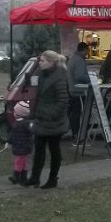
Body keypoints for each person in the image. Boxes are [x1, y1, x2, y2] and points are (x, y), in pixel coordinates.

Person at [22, 50, 70, 189]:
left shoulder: (59, 78)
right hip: (41, 119)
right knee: (39, 148)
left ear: (51, 62)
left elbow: (63, 101)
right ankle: (35, 178)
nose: (40, 63)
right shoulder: (41, 75)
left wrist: (52, 115)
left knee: (54, 150)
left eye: (42, 61)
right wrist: (33, 113)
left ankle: (52, 179)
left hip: (54, 121)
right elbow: (38, 97)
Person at [67, 42, 90, 140]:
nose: (87, 54)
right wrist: (90, 78)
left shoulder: (72, 59)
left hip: (72, 90)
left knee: (74, 113)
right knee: (80, 113)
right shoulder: (79, 60)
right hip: (79, 91)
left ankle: (75, 134)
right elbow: (80, 76)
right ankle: (79, 135)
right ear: (84, 50)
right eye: (86, 52)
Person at [7, 101, 33, 185]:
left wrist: (8, 142)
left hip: (22, 147)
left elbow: (12, 134)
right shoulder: (21, 123)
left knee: (19, 161)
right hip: (24, 147)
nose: (14, 113)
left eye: (15, 111)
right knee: (24, 162)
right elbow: (12, 134)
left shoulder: (23, 124)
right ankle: (23, 178)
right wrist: (8, 142)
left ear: (18, 113)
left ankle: (16, 176)